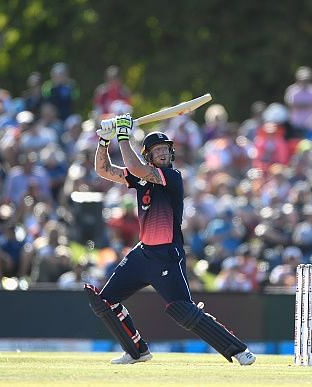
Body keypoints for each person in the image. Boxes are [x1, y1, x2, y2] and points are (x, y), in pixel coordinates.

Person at [87, 113, 256, 366]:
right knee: (104, 301)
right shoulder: (140, 178)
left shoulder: (172, 177)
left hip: (167, 256)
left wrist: (123, 135)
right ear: (149, 155)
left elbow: (134, 167)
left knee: (184, 312)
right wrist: (103, 140)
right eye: (157, 151)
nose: (164, 154)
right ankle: (137, 351)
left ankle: (239, 350)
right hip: (142, 254)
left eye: (166, 149)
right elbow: (103, 170)